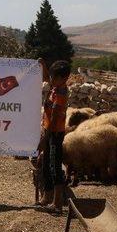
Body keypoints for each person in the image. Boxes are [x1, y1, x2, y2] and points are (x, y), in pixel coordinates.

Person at [37, 59, 71, 214]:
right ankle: (47, 196)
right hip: (49, 131)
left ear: (63, 78)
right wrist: (43, 65)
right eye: (51, 76)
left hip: (55, 133)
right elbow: (46, 79)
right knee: (46, 163)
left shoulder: (61, 94)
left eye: (54, 77)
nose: (50, 79)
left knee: (54, 166)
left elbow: (55, 118)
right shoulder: (55, 88)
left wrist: (45, 137)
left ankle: (57, 203)